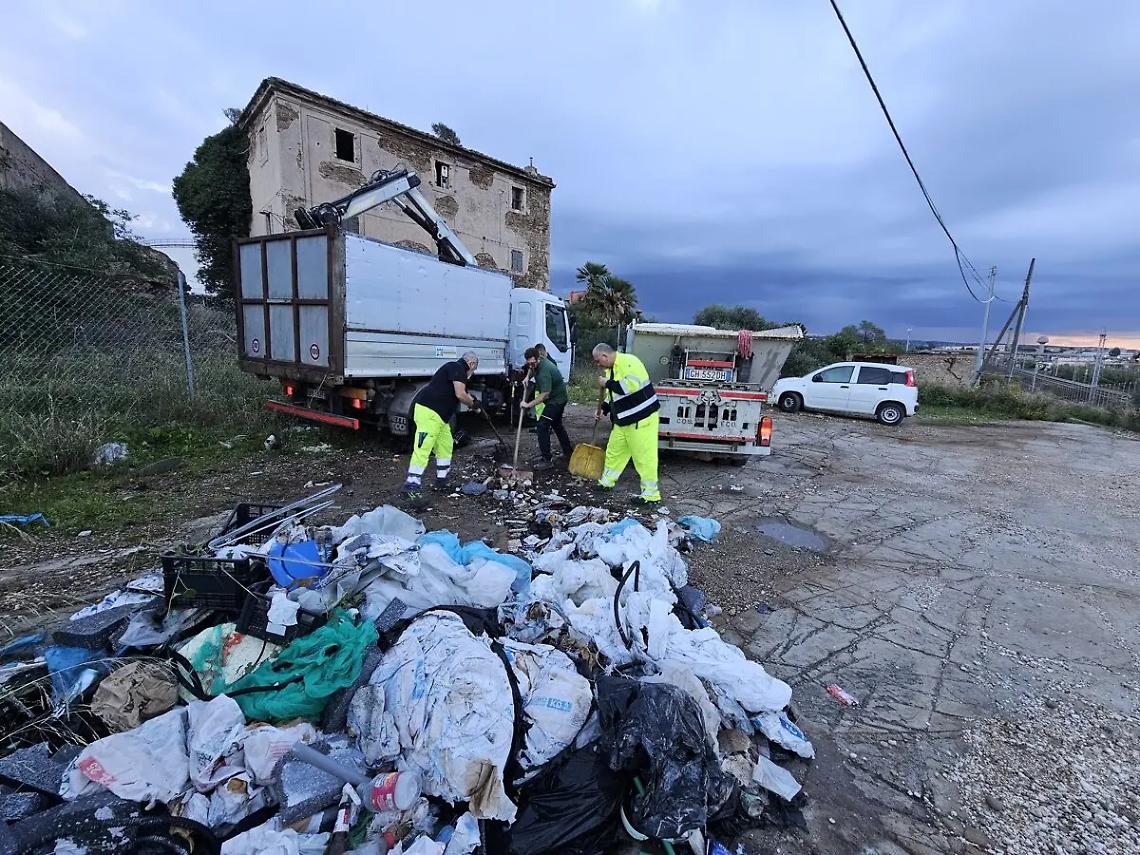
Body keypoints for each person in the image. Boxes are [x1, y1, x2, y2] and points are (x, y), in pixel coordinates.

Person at [402, 351, 481, 501]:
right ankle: (411, 487)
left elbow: (465, 393)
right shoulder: (457, 367)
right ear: (471, 364)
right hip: (428, 412)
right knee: (423, 448)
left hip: (441, 417)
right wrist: (473, 405)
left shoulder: (456, 372)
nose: (473, 372)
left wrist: (476, 403)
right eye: (474, 368)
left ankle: (441, 481)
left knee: (445, 446)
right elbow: (460, 394)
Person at [592, 342, 660, 503]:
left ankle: (651, 496)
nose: (598, 364)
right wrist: (604, 408)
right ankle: (607, 482)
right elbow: (613, 395)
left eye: (597, 361)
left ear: (605, 356)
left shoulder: (629, 362)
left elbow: (628, 386)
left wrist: (606, 383)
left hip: (641, 420)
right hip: (623, 421)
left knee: (644, 457)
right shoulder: (611, 369)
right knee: (614, 452)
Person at [520, 346, 572, 470]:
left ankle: (547, 460)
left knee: (542, 426)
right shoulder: (537, 362)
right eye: (529, 363)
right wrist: (527, 377)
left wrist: (528, 405)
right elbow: (532, 369)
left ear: (538, 358)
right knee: (557, 426)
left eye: (533, 363)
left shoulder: (545, 371)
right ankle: (569, 452)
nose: (531, 365)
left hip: (556, 401)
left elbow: (544, 395)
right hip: (556, 399)